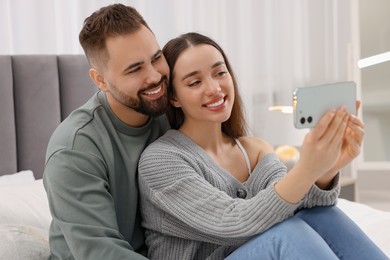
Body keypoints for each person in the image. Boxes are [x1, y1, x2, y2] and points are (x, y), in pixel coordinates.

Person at [137, 32, 388, 259]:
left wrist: (327, 169)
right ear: (173, 98)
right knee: (288, 234)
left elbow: (297, 204)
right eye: (194, 83)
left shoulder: (254, 150)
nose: (214, 88)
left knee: (322, 216)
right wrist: (307, 168)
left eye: (220, 72)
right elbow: (237, 223)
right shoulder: (160, 160)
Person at [43, 4, 171, 259]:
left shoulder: (172, 111)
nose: (155, 76)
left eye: (156, 58)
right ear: (100, 80)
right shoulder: (74, 148)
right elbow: (102, 252)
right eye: (135, 69)